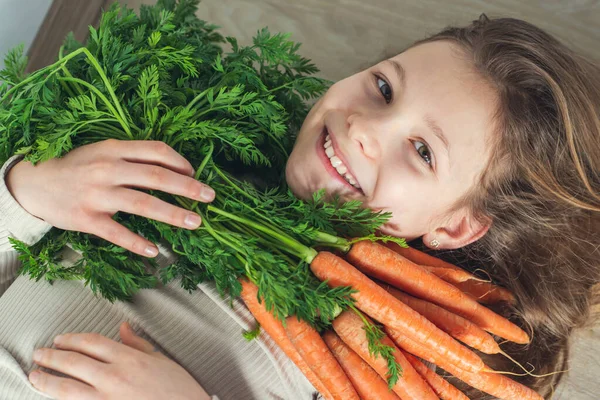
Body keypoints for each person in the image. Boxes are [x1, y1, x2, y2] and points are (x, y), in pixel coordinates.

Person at [1, 14, 598, 400]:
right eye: (384, 88)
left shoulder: (365, 367)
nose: (365, 127)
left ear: (456, 225)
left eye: (421, 151)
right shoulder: (180, 159)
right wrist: (30, 193)